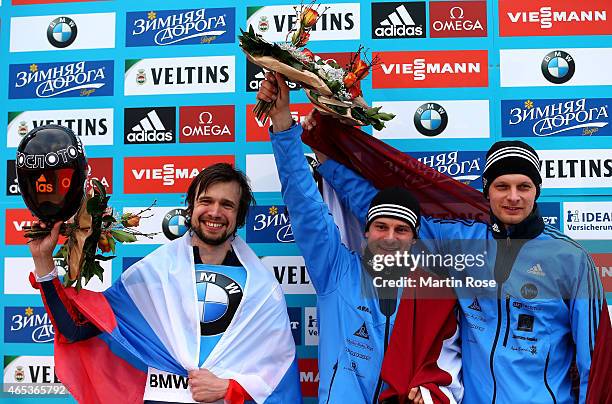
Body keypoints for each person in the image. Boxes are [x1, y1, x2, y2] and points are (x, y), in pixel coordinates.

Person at [300, 114, 607, 404]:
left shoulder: (571, 260)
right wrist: (327, 153)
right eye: (502, 186)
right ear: (487, 190)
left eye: (523, 186)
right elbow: (385, 211)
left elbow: (596, 362)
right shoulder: (461, 243)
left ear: (536, 190)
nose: (513, 197)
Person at [257, 73, 463, 404]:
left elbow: (445, 367)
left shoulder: (431, 295)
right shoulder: (337, 271)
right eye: (381, 226)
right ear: (366, 231)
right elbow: (305, 206)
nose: (390, 238)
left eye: (401, 230)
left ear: (413, 240)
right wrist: (283, 124)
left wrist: (427, 393)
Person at [29, 163, 301, 403]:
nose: (215, 212)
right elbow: (77, 329)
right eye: (206, 201)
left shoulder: (262, 290)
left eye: (227, 204)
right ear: (191, 207)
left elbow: (278, 375)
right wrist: (43, 261)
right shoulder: (154, 274)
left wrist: (229, 388)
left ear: (239, 216)